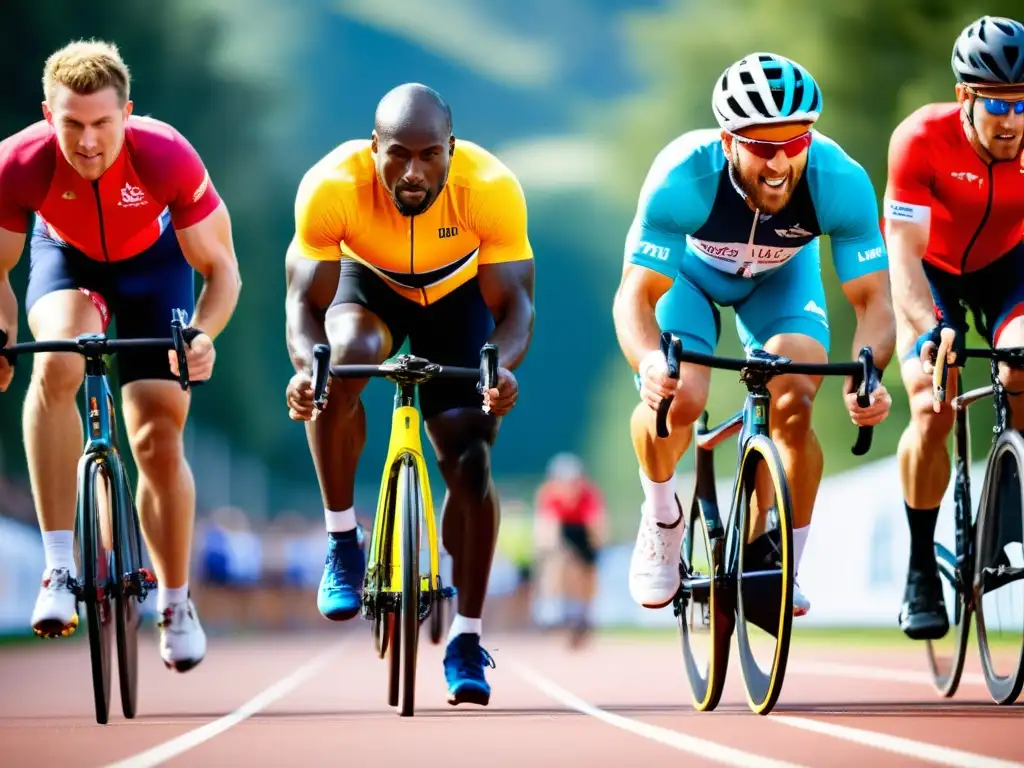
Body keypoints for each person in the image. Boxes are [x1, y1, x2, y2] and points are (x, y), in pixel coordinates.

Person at [613, 52, 895, 617]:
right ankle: (663, 515)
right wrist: (648, 362)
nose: (779, 162)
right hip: (687, 280)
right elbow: (635, 297)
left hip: (781, 281)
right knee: (680, 394)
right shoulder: (683, 178)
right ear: (728, 140)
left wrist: (869, 371)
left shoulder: (838, 181)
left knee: (795, 398)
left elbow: (874, 300)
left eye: (795, 143)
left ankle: (779, 553)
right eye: (763, 146)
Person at [283, 82, 535, 706]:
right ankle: (343, 539)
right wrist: (306, 373)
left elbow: (516, 310)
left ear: (453, 149)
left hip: (458, 299)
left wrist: (497, 373)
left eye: (430, 155)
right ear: (374, 149)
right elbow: (300, 308)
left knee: (467, 452)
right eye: (398, 154)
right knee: (342, 361)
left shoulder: (493, 188)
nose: (413, 172)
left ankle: (468, 638)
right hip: (366, 286)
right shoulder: (332, 187)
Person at [0, 40, 241, 671]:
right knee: (55, 364)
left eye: (103, 123)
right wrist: (2, 333)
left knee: (159, 439)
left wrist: (203, 334)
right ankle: (58, 569)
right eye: (72, 124)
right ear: (48, 115)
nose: (87, 142)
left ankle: (176, 600)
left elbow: (223, 272)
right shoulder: (18, 164)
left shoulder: (165, 155)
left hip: (154, 273)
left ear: (127, 114)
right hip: (67, 263)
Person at [884, 16, 1024, 640]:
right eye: (998, 103)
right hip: (932, 272)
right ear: (965, 97)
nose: (1012, 122)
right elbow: (903, 256)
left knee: (1019, 362)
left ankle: (1010, 504)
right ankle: (919, 563)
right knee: (931, 405)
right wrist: (929, 327)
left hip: (1009, 268)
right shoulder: (920, 139)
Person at [533, 452, 606, 647]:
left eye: (574, 481)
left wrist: (593, 551)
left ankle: (584, 614)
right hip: (562, 530)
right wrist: (552, 550)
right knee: (558, 564)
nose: (570, 487)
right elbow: (548, 527)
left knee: (587, 574)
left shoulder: (589, 494)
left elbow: (596, 525)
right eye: (564, 481)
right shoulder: (549, 494)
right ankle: (555, 608)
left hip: (584, 531)